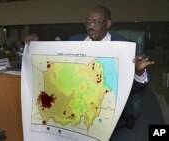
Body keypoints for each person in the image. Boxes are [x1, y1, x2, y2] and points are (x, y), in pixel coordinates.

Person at [24, 5, 154, 129]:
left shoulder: (123, 47)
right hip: (76, 102)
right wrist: (37, 44)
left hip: (106, 106)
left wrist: (138, 70)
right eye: (87, 22)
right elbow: (55, 59)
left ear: (108, 24)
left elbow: (135, 87)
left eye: (96, 22)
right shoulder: (74, 41)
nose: (90, 26)